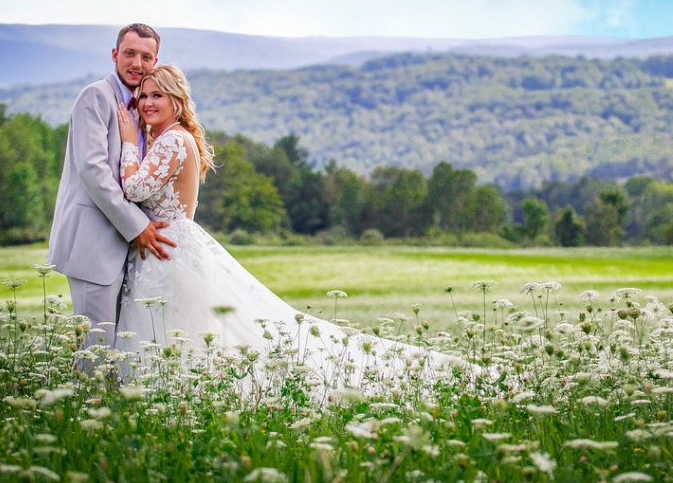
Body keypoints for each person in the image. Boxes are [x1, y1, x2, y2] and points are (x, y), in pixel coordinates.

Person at [113, 65, 461, 392]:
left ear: (177, 100)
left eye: (157, 95)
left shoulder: (172, 140)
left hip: (166, 250)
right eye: (143, 96)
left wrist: (128, 140)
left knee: (168, 330)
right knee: (180, 330)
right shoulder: (179, 136)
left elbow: (134, 189)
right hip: (171, 245)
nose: (147, 103)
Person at [48, 24, 177, 363]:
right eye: (130, 53)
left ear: (155, 60)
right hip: (94, 243)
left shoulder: (145, 106)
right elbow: (93, 171)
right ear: (114, 54)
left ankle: (110, 412)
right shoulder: (95, 97)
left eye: (145, 56)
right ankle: (86, 412)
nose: (137, 62)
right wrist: (138, 226)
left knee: (120, 350)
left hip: (129, 251)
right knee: (96, 347)